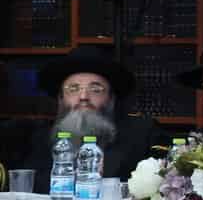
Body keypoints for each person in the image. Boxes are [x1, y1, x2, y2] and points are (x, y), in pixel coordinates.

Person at [22, 46, 165, 191]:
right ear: (61, 99)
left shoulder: (143, 134)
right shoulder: (41, 139)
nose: (83, 97)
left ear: (110, 98)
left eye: (96, 89)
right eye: (73, 89)